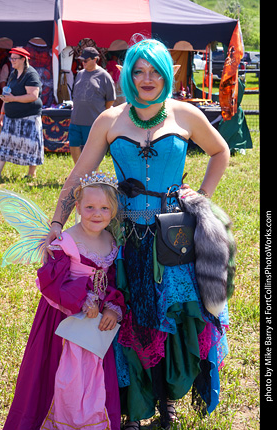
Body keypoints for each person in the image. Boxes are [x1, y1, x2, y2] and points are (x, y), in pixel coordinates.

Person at [45, 36, 231, 428]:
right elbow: (77, 177)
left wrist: (201, 195)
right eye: (138, 71)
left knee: (176, 318)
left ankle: (168, 401)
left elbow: (220, 151)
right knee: (125, 319)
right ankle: (134, 407)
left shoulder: (184, 114)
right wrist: (57, 225)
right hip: (124, 238)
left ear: (168, 73)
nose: (147, 79)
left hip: (174, 236)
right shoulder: (110, 120)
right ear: (127, 75)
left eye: (154, 71)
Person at [3, 174, 125, 430]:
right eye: (89, 207)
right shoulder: (65, 241)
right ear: (77, 207)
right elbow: (50, 283)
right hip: (62, 321)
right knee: (62, 378)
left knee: (93, 379)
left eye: (104, 208)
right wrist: (81, 299)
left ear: (113, 211)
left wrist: (113, 307)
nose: (96, 214)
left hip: (95, 328)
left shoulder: (111, 241)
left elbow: (111, 281)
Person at [0, 47, 43, 180]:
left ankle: (31, 174)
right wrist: (2, 112)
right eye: (11, 58)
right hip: (11, 116)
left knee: (31, 144)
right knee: (5, 142)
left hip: (29, 116)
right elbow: (6, 94)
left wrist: (14, 99)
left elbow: (33, 96)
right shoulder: (13, 74)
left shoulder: (31, 74)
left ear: (23, 59)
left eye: (15, 58)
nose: (12, 61)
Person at [69, 47, 116, 164]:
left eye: (86, 60)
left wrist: (100, 113)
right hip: (76, 119)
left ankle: (90, 176)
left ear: (95, 59)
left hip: (93, 121)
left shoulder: (104, 76)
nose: (83, 63)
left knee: (91, 151)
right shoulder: (80, 74)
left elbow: (110, 100)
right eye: (82, 61)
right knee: (73, 144)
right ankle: (78, 172)